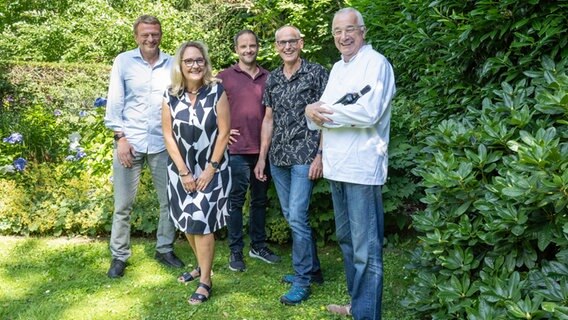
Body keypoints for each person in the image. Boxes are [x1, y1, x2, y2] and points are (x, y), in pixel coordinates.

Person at [305, 7, 396, 320]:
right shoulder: (337, 68)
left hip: (362, 168)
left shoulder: (376, 64)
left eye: (349, 30)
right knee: (347, 241)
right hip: (336, 167)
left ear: (363, 31)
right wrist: (311, 113)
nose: (343, 37)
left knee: (366, 250)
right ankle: (357, 305)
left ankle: (366, 315)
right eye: (337, 32)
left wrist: (321, 113)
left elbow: (368, 112)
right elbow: (318, 119)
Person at [104, 15, 184, 278]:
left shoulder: (173, 63)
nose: (150, 39)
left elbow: (181, 101)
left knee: (168, 201)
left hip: (163, 143)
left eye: (155, 34)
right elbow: (115, 100)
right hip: (131, 142)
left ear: (161, 34)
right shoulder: (123, 61)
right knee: (123, 204)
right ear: (136, 36)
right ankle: (119, 256)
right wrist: (120, 138)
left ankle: (164, 249)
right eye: (145, 34)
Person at [254, 25, 328, 305]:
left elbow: (327, 116)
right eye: (282, 42)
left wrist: (321, 154)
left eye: (292, 41)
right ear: (276, 46)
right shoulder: (272, 78)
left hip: (305, 155)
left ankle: (302, 279)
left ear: (301, 43)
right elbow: (268, 119)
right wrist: (262, 157)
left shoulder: (317, 73)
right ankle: (314, 270)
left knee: (297, 215)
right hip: (278, 158)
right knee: (292, 215)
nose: (287, 46)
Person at [162, 41, 231, 305]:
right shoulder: (170, 95)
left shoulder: (217, 91)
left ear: (206, 62)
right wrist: (183, 171)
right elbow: (167, 134)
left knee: (201, 221)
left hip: (211, 168)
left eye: (199, 60)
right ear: (180, 65)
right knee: (186, 221)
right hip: (180, 170)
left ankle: (205, 281)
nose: (195, 65)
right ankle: (201, 267)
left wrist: (210, 170)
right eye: (189, 61)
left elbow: (224, 132)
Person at [217, 30, 281, 272]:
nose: (248, 50)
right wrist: (220, 132)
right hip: (236, 150)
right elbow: (208, 109)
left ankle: (258, 245)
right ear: (236, 49)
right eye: (243, 46)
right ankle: (236, 250)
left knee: (260, 200)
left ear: (258, 47)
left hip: (263, 149)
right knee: (235, 201)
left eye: (252, 45)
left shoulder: (270, 77)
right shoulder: (224, 77)